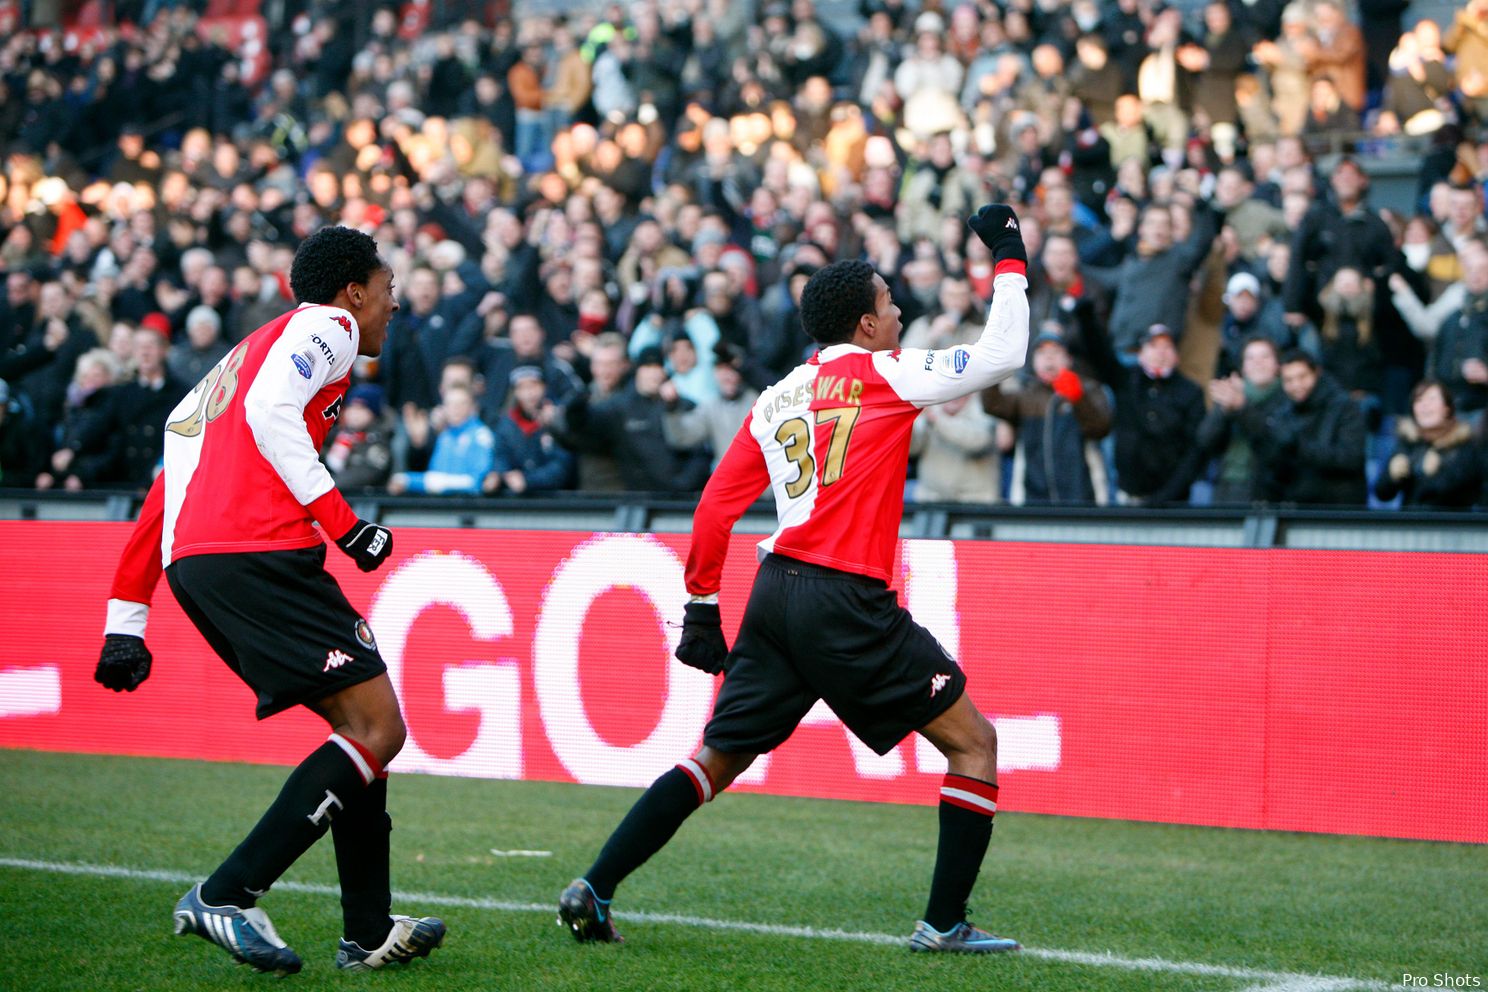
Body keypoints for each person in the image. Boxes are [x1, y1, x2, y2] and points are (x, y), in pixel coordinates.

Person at [556, 204, 1031, 954]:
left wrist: (703, 605)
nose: (899, 307)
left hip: (777, 593)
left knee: (715, 759)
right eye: (888, 301)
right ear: (867, 326)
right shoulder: (889, 374)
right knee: (974, 745)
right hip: (845, 598)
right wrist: (1008, 251)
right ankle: (943, 925)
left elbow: (716, 505)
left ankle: (596, 886)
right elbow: (1002, 352)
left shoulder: (777, 395)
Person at [92, 227, 446, 975]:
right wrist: (347, 529)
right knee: (380, 728)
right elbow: (271, 417)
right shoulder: (331, 326)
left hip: (203, 561)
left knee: (359, 730)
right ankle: (227, 892)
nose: (392, 305)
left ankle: (368, 931)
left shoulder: (236, 360)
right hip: (258, 552)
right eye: (387, 289)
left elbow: (174, 468)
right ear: (353, 289)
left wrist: (127, 617)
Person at [1373, 380, 1482, 509]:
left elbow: (1463, 492)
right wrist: (1391, 476)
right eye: (1418, 400)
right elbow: (1382, 494)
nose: (1424, 406)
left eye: (1431, 400)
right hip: (1409, 524)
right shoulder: (1408, 443)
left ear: (1447, 408)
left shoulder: (1464, 443)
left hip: (1451, 526)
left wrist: (1434, 475)